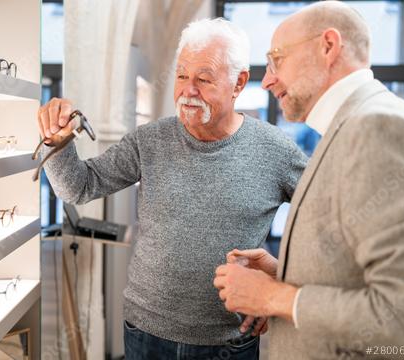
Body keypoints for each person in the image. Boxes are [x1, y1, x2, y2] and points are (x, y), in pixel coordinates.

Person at [38, 18, 307, 359]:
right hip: (145, 333)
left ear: (238, 83)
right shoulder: (149, 140)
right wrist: (55, 143)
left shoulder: (276, 151)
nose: (188, 90)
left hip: (228, 341)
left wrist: (279, 286)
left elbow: (327, 226)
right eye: (181, 76)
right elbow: (79, 187)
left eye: (204, 79)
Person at [213, 2, 404, 359]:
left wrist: (271, 297)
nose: (269, 78)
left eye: (276, 59)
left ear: (328, 46)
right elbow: (353, 270)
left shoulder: (376, 128)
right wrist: (284, 272)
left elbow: (401, 320)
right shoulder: (346, 127)